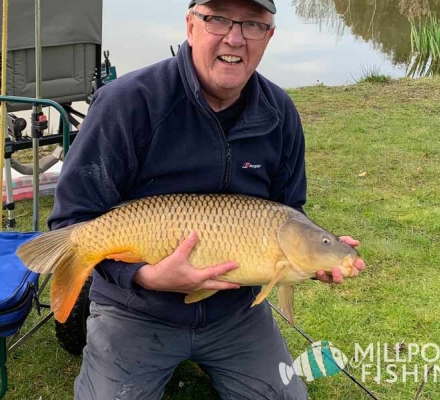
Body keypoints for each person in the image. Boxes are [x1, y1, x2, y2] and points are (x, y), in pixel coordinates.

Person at [48, 0, 366, 399]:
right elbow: (73, 219)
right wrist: (145, 277)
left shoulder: (280, 112)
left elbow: (289, 209)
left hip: (235, 314)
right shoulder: (127, 102)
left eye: (252, 24)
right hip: (136, 308)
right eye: (217, 19)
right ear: (191, 25)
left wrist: (317, 255)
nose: (234, 38)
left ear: (269, 36)